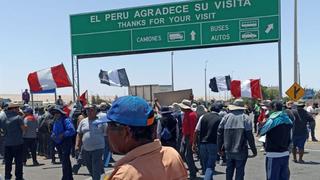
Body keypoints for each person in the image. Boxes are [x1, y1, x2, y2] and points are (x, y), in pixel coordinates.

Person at [102, 96, 188, 180]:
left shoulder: (123, 176)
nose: (107, 133)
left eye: (108, 127)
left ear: (127, 132)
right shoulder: (172, 155)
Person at [217, 99, 257, 180]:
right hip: (241, 150)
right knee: (240, 171)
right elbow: (250, 136)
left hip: (228, 150)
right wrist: (254, 150)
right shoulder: (245, 118)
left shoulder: (226, 117)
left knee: (229, 170)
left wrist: (219, 148)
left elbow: (219, 134)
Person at [259, 101, 293, 180]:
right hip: (285, 153)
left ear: (273, 108)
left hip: (273, 155)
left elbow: (261, 132)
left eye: (269, 108)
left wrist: (263, 122)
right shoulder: (287, 119)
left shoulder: (272, 120)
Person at [192, 102, 222, 180]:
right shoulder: (220, 118)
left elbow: (196, 131)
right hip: (213, 144)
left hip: (202, 144)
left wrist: (194, 143)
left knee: (206, 167)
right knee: (210, 166)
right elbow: (221, 134)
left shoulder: (203, 117)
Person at [75, 104, 105, 180]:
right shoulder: (83, 121)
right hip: (86, 148)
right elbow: (79, 133)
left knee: (95, 167)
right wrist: (77, 145)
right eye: (87, 110)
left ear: (95, 111)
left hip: (98, 148)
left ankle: (96, 177)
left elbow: (107, 133)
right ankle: (95, 176)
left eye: (91, 110)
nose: (89, 112)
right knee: (89, 166)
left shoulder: (101, 121)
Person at [0, 103, 26, 180]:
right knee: (18, 162)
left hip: (7, 143)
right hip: (18, 143)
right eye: (17, 108)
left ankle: (7, 176)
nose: (18, 109)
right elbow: (24, 129)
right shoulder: (18, 117)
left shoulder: (2, 117)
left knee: (8, 162)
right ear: (13, 109)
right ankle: (19, 177)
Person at [50, 105, 76, 180]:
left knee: (65, 161)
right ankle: (68, 177)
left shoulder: (65, 120)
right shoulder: (56, 120)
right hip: (59, 143)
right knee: (64, 161)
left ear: (60, 113)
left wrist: (62, 135)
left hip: (65, 142)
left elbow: (72, 130)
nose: (55, 114)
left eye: (57, 112)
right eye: (54, 113)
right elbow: (54, 131)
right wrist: (53, 135)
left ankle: (66, 177)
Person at [179, 99, 198, 179]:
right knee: (183, 154)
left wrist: (192, 141)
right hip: (185, 136)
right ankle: (193, 169)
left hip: (189, 137)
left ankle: (193, 173)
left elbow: (193, 129)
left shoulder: (191, 115)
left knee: (187, 155)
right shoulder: (187, 114)